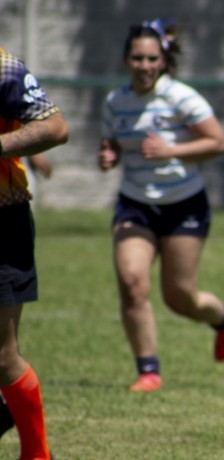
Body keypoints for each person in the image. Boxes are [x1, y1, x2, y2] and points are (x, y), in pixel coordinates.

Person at [98, 19, 224, 393]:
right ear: (126, 60)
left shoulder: (182, 97)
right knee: (132, 283)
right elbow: (112, 142)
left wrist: (170, 150)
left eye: (151, 58)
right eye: (137, 58)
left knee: (180, 297)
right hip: (135, 204)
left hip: (183, 204)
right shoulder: (115, 102)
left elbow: (218, 142)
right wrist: (109, 154)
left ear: (163, 61)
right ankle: (148, 371)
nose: (144, 65)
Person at [0, 46, 68, 460]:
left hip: (2, 219)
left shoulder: (4, 68)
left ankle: (37, 455)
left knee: (3, 355)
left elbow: (55, 127)